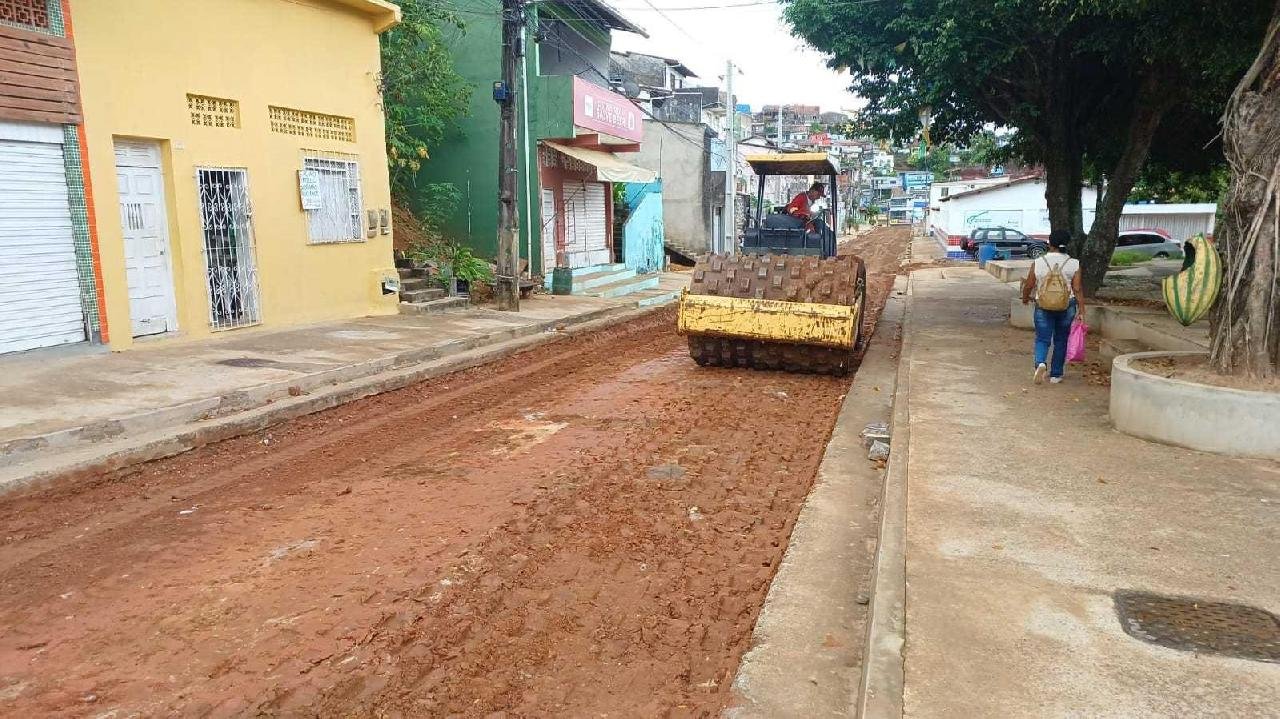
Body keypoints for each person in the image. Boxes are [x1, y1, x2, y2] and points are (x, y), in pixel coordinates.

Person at [1020, 229, 1086, 384]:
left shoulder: (1039, 262)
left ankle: (1041, 363)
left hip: (1043, 305)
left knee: (1042, 339)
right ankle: (1056, 374)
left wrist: (1025, 298)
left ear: (1050, 243)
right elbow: (1077, 289)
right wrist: (1082, 309)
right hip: (1066, 306)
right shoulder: (1074, 263)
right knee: (1061, 339)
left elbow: (1029, 284)